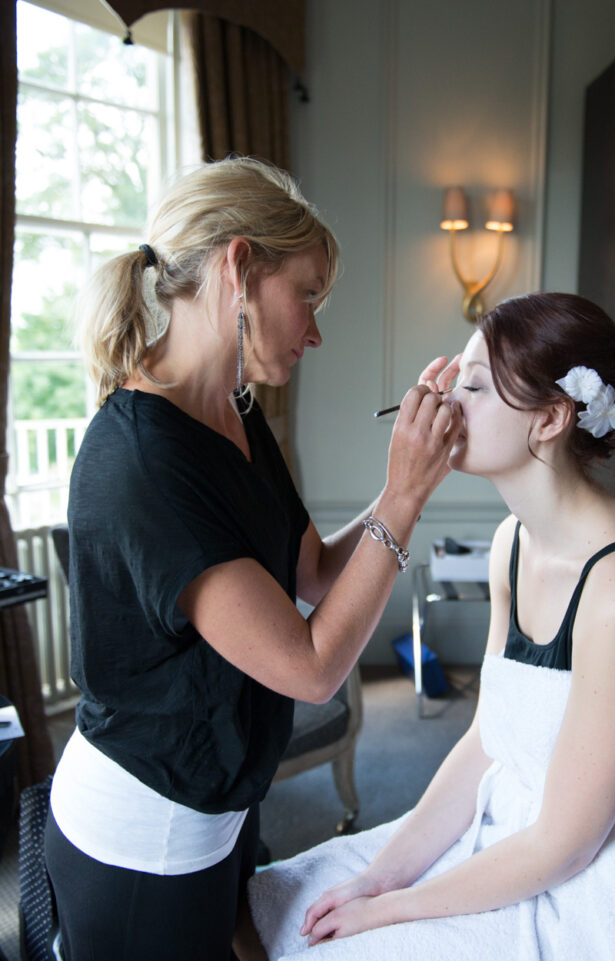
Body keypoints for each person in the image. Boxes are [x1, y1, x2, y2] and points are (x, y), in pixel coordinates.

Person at [43, 156, 462, 961]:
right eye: (308, 294)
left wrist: (410, 479)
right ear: (239, 268)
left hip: (219, 807)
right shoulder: (142, 460)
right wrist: (404, 499)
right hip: (142, 845)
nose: (315, 331)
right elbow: (310, 667)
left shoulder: (235, 411)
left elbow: (314, 572)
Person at [248, 292, 615, 961]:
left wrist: (390, 910)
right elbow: (488, 738)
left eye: (473, 386)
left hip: (609, 884)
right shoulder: (511, 541)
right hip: (518, 829)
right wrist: (378, 877)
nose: (445, 402)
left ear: (551, 417)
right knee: (274, 908)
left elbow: (567, 843)